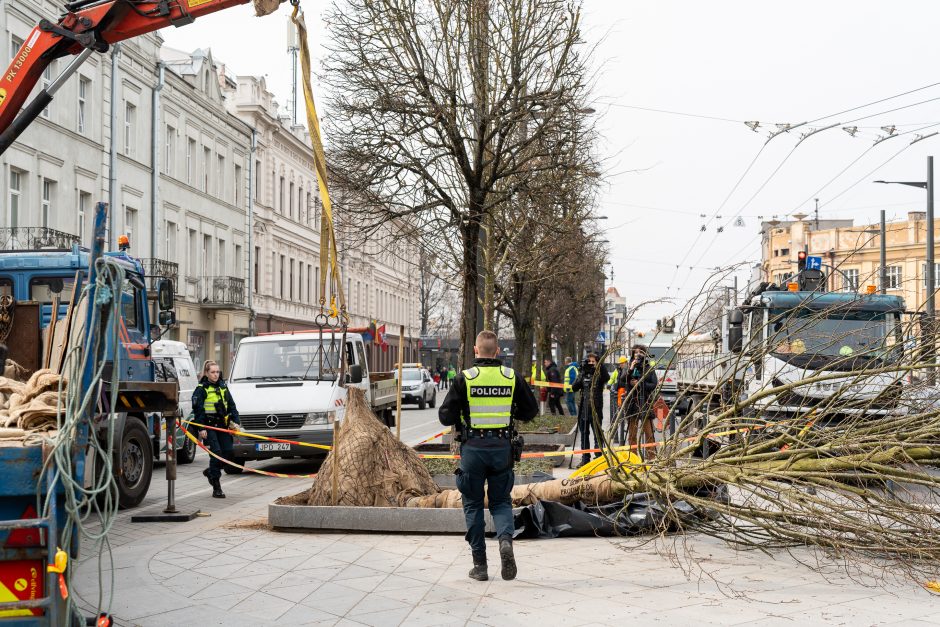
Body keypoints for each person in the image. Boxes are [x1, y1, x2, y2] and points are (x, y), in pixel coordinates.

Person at [438, 330, 538, 582]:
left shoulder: (465, 379)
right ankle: (505, 541)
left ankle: (480, 565)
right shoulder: (511, 377)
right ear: (497, 352)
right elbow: (530, 411)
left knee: (472, 504)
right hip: (502, 449)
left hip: (472, 449)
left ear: (475, 350)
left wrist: (463, 411)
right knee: (501, 502)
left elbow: (445, 417)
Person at [192, 360, 240, 498]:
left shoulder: (223, 386)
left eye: (217, 372)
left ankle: (211, 472)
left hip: (223, 426)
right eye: (212, 372)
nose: (215, 375)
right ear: (206, 373)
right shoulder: (201, 389)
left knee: (229, 453)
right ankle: (216, 487)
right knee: (216, 453)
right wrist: (201, 428)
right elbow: (198, 410)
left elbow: (232, 405)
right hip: (209, 426)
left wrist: (235, 422)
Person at [620, 345, 659, 460]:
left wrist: (640, 384)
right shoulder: (628, 367)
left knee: (648, 432)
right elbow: (622, 380)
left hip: (645, 401)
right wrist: (631, 368)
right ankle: (633, 457)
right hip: (632, 402)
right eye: (635, 353)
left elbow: (653, 384)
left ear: (644, 354)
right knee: (632, 433)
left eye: (640, 353)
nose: (637, 355)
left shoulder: (648, 368)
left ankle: (651, 457)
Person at [572, 353, 609, 467]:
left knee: (597, 433)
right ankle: (585, 458)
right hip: (584, 408)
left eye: (594, 362)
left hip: (596, 408)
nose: (591, 364)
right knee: (584, 434)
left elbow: (606, 377)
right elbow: (574, 387)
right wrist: (582, 373)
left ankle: (598, 458)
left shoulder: (600, 374)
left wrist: (599, 366)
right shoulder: (583, 373)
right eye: (589, 362)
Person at [609, 356, 629, 443]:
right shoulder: (618, 370)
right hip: (619, 391)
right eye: (620, 363)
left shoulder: (627, 370)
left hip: (624, 391)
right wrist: (611, 386)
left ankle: (620, 436)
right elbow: (614, 379)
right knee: (619, 408)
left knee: (622, 408)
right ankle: (618, 434)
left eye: (623, 363)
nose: (621, 364)